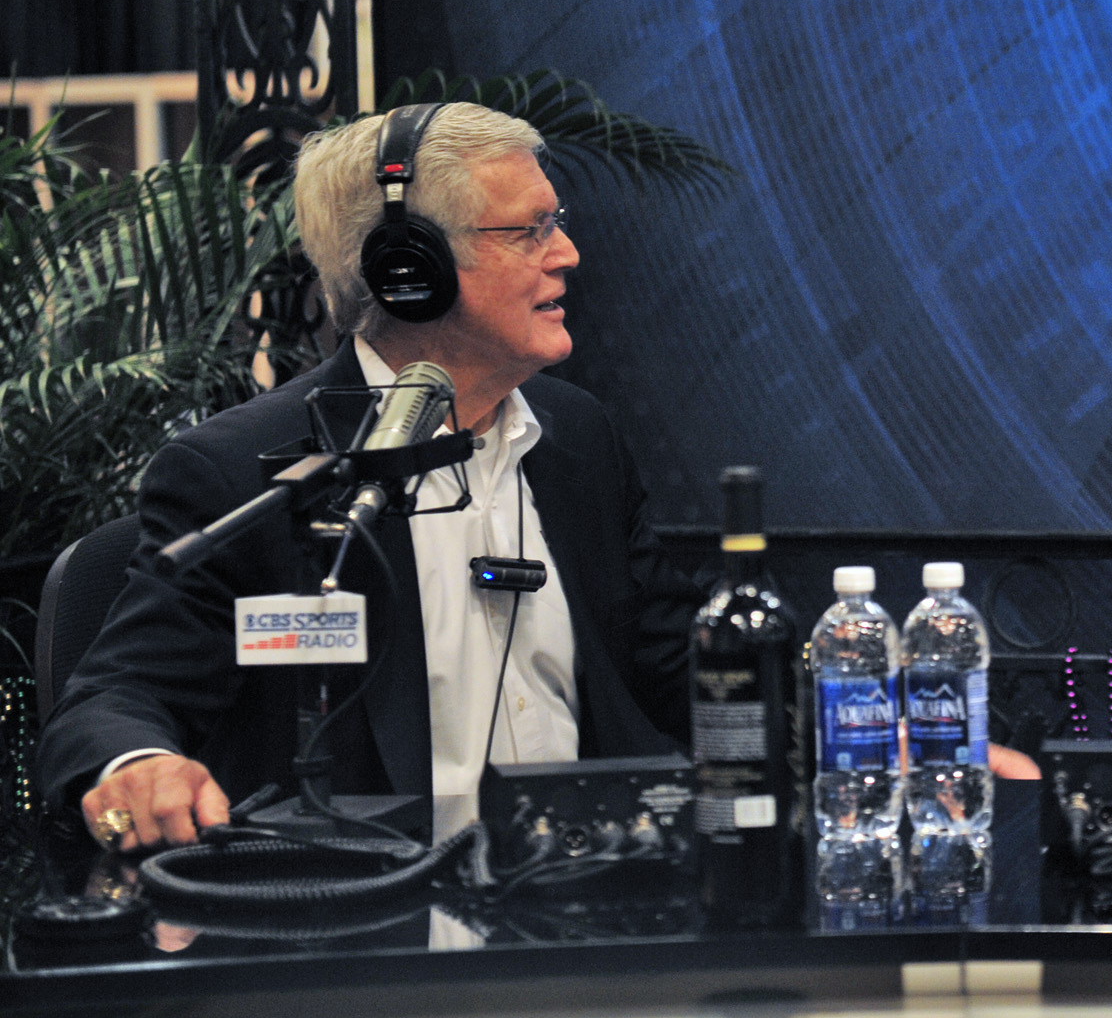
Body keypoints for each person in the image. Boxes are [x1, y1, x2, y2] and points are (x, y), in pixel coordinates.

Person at [39, 102, 705, 851]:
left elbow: (680, 664)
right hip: (368, 927)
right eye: (530, 230)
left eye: (557, 221)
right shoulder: (246, 470)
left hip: (582, 911)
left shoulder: (578, 438)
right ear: (407, 267)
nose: (568, 254)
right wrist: (141, 763)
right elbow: (115, 697)